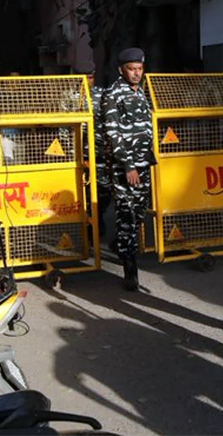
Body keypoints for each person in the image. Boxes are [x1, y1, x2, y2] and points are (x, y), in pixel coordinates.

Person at [103, 48, 155, 291]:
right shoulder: (114, 94)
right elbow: (114, 134)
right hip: (128, 168)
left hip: (143, 164)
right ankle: (129, 270)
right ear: (121, 70)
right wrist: (128, 166)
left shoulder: (140, 91)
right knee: (127, 215)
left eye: (139, 69)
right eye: (131, 69)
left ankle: (121, 246)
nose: (136, 73)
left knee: (138, 213)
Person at [75, 61, 113, 238]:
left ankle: (98, 216)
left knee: (105, 191)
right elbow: (64, 131)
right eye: (83, 77)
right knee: (84, 193)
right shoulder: (69, 97)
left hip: (100, 154)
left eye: (90, 77)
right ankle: (90, 226)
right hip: (80, 155)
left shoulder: (103, 95)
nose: (87, 81)